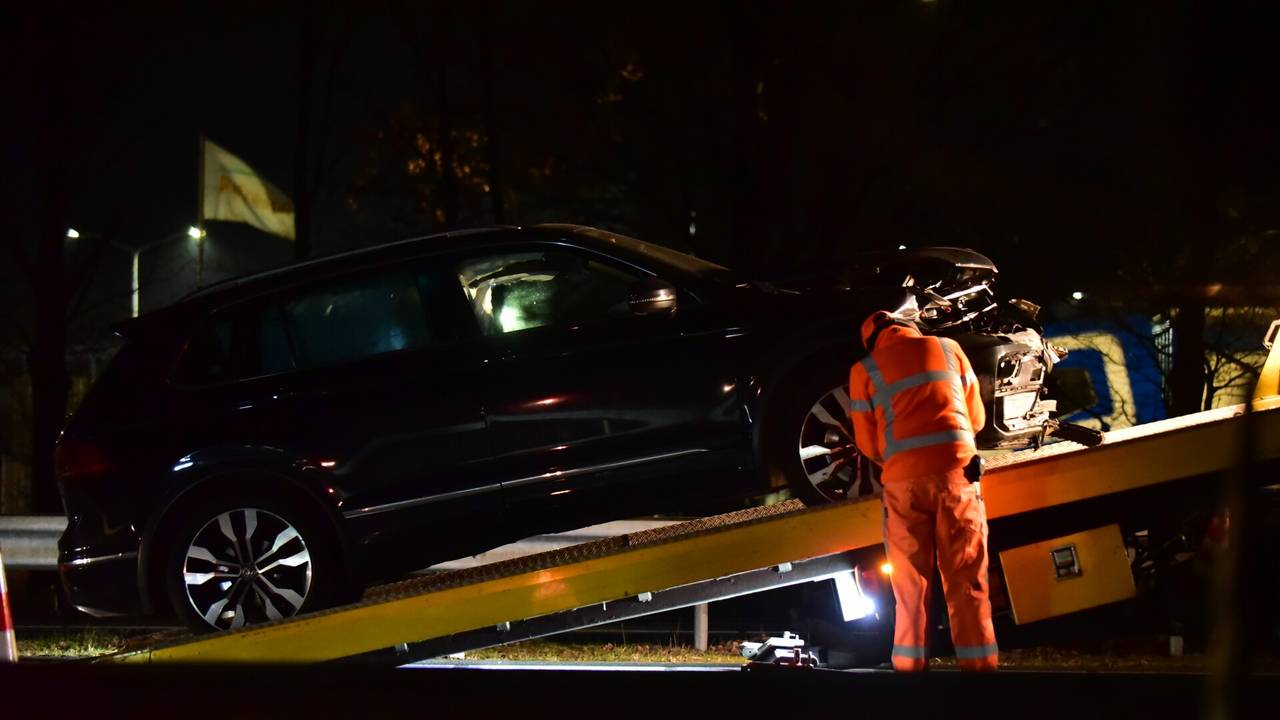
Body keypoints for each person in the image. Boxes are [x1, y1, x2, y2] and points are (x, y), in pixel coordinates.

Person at [848, 309, 997, 672]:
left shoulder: (863, 370)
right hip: (956, 476)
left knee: (909, 583)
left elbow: (867, 443)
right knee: (966, 578)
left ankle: (909, 667)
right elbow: (976, 418)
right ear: (911, 327)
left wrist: (901, 458)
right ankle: (980, 669)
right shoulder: (948, 348)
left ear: (871, 340)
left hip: (903, 483)